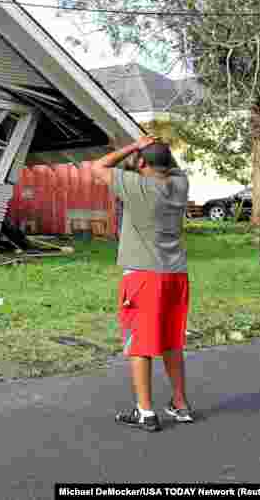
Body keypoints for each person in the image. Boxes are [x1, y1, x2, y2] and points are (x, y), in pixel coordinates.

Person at [93, 135, 195, 432]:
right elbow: (168, 165)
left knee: (140, 343)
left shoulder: (136, 185)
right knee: (171, 341)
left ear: (140, 162)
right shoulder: (179, 185)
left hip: (143, 276)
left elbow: (97, 166)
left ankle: (146, 412)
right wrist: (155, 151)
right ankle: (180, 404)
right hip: (176, 274)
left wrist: (132, 146)